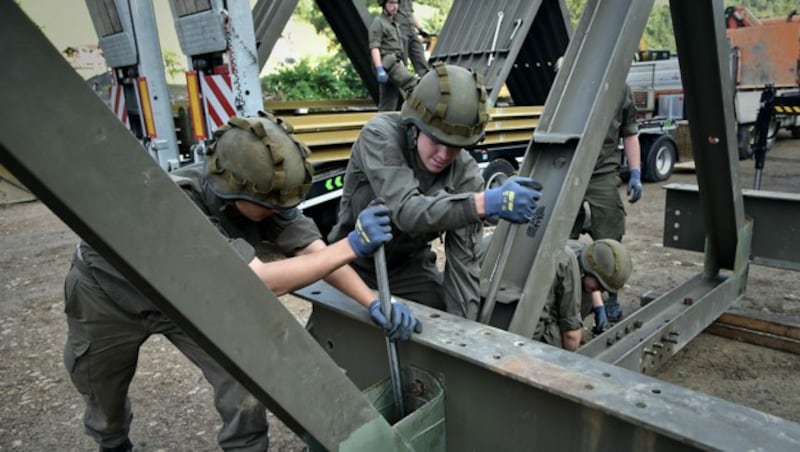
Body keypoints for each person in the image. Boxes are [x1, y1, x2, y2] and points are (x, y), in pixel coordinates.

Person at [62, 112, 421, 452]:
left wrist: (373, 301)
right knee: (101, 389)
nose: (279, 212)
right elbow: (262, 281)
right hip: (110, 295)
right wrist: (353, 243)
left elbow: (317, 255)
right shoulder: (181, 202)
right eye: (269, 206)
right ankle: (112, 442)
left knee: (243, 378)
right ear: (232, 193)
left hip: (189, 296)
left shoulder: (266, 196)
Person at [328, 62, 542, 321]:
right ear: (414, 126)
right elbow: (407, 211)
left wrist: (465, 335)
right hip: (350, 262)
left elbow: (463, 267)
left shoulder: (465, 174)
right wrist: (482, 204)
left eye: (455, 146)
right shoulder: (380, 136)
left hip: (410, 269)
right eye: (437, 140)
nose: (444, 155)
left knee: (440, 324)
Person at [571, 83, 642, 323]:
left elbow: (630, 133)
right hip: (569, 170)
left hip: (602, 172)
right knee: (560, 239)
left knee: (611, 233)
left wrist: (636, 172)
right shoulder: (573, 76)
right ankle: (566, 292)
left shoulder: (622, 89)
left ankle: (609, 295)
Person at [370, 0, 419, 111]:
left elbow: (398, 48)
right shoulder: (378, 22)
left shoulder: (394, 24)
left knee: (388, 103)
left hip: (395, 62)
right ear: (383, 4)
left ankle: (380, 127)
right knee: (413, 84)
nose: (395, 6)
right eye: (391, 3)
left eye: (396, 3)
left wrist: (401, 63)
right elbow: (374, 48)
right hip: (388, 64)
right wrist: (379, 69)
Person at [396, 0, 430, 77]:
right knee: (402, 63)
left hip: (412, 31)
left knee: (421, 59)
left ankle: (425, 79)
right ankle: (404, 84)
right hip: (400, 33)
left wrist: (421, 29)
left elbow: (410, 15)